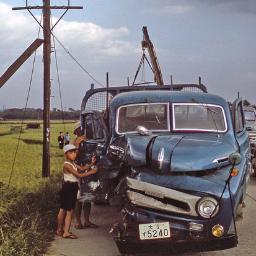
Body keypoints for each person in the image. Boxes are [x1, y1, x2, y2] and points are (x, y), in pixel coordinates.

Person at [56, 144, 97, 239]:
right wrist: (92, 172)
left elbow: (82, 168)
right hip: (69, 188)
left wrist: (91, 163)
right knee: (69, 211)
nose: (74, 154)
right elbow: (79, 175)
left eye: (74, 152)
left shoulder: (73, 163)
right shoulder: (67, 165)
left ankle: (59, 230)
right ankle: (66, 232)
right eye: (71, 153)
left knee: (63, 210)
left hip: (70, 187)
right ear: (66, 154)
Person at [73, 121, 99, 229]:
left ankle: (87, 221)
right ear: (77, 131)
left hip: (90, 170)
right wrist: (77, 145)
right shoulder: (75, 142)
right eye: (81, 129)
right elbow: (73, 157)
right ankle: (78, 222)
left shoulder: (91, 141)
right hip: (80, 171)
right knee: (79, 198)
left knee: (88, 197)